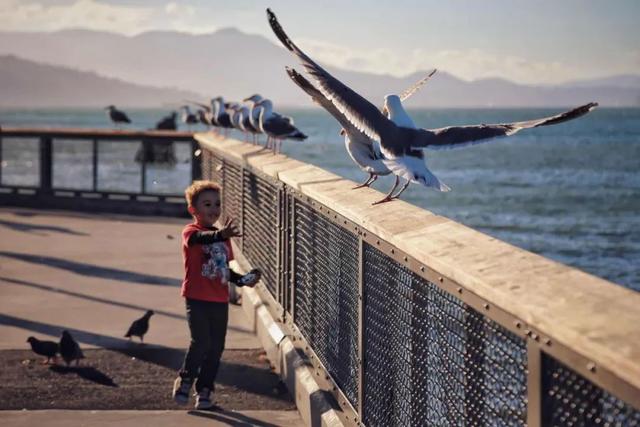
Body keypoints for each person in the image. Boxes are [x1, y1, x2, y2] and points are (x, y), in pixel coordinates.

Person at [172, 180, 261, 410]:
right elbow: (197, 240)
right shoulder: (191, 232)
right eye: (207, 204)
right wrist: (220, 234)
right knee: (200, 342)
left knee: (215, 347)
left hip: (219, 300)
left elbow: (223, 269)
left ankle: (205, 390)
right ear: (193, 210)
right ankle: (185, 379)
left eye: (217, 204)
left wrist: (242, 280)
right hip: (197, 297)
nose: (213, 209)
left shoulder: (222, 237)